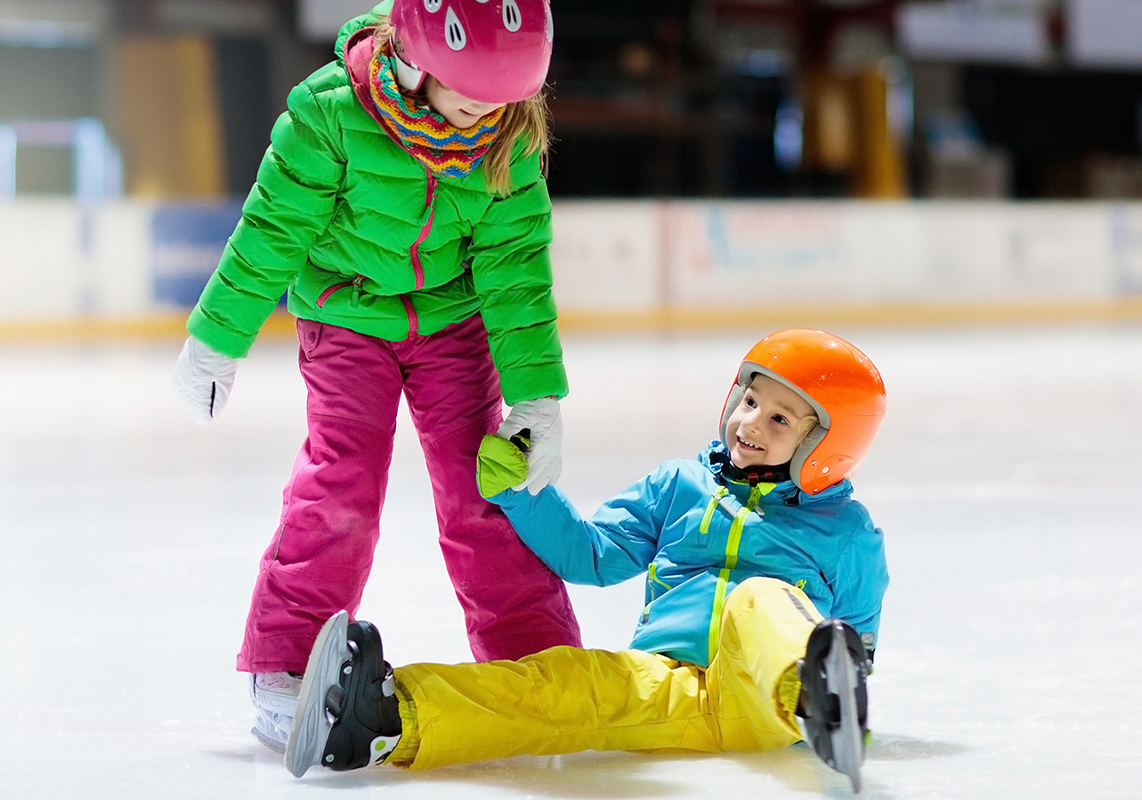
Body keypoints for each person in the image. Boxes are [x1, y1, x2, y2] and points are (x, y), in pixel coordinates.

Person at [170, 0, 582, 752]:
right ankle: (286, 665)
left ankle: (537, 659)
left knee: (488, 487)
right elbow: (273, 230)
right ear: (418, 59)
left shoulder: (507, 135)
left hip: (454, 326)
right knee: (343, 483)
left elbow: (516, 270)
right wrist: (217, 338)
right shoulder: (329, 115)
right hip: (347, 318)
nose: (482, 117)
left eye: (503, 102)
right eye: (468, 99)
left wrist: (535, 397)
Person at [283, 328, 891, 792]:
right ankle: (385, 714)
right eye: (750, 399)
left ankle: (818, 697)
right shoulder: (679, 487)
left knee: (760, 600)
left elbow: (857, 637)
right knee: (565, 682)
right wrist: (525, 494)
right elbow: (592, 554)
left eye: (781, 418)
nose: (750, 422)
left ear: (826, 446)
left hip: (768, 698)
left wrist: (839, 674)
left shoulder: (846, 532)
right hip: (666, 684)